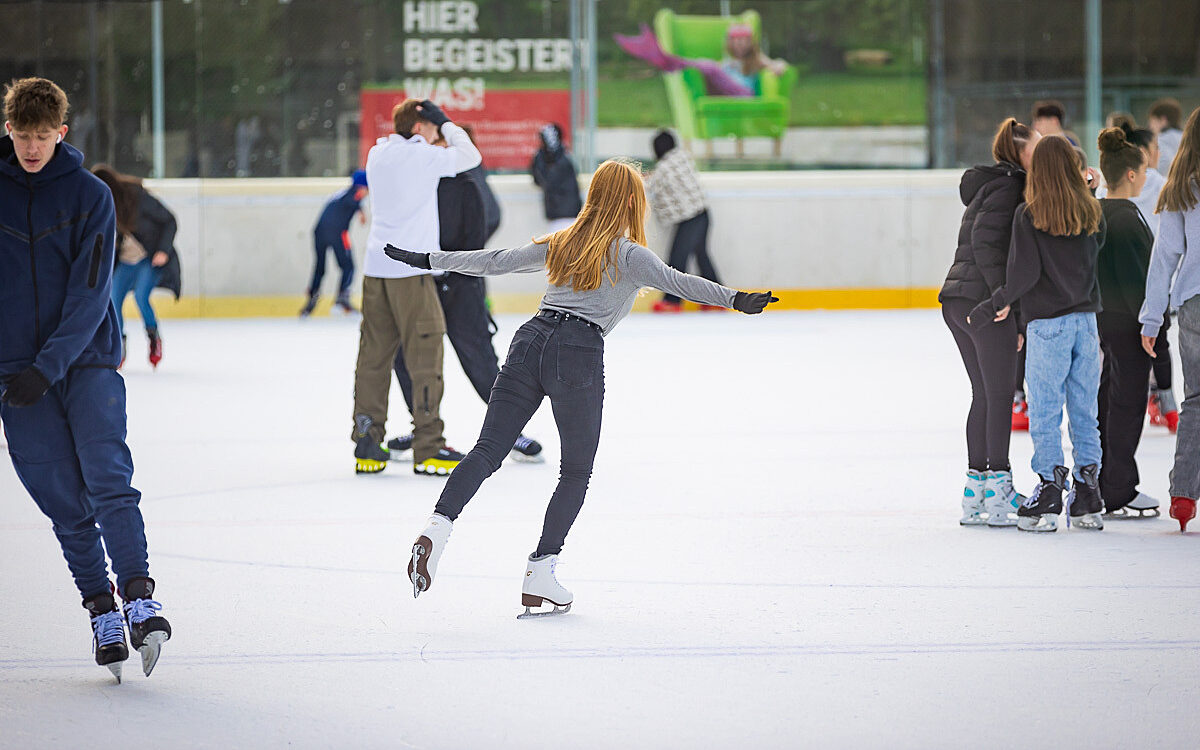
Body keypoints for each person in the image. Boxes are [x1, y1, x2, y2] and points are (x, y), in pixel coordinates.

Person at [383, 159, 777, 617]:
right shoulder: (630, 254)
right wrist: (736, 299)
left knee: (488, 450)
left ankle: (436, 528)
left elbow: (495, 262)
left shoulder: (562, 241)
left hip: (530, 340)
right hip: (578, 353)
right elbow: (680, 282)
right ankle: (540, 574)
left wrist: (428, 261)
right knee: (574, 472)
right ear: (633, 201)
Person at [0, 77, 170, 681]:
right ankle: (101, 608)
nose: (32, 148)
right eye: (23, 136)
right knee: (63, 502)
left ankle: (140, 598)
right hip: (15, 376)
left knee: (107, 480)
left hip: (86, 361)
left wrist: (49, 366)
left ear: (61, 133)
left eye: (43, 137)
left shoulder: (90, 196)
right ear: (9, 130)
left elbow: (90, 293)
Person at [969, 135, 1106, 533]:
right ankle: (1087, 494)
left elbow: (1023, 276)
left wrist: (991, 306)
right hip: (1087, 324)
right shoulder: (1090, 211)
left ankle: (1049, 491)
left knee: (1045, 412)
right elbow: (1098, 251)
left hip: (1048, 326)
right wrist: (1091, 190)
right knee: (1085, 411)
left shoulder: (1030, 215)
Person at [389, 136, 544, 464]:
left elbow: (491, 216)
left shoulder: (469, 177)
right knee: (406, 356)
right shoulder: (415, 180)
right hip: (420, 287)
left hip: (462, 287)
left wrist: (456, 261)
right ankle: (423, 426)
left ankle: (511, 431)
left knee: (480, 359)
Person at [351, 98, 481, 476]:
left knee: (373, 357)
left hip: (377, 270)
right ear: (422, 126)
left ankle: (368, 440)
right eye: (434, 127)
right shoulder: (423, 158)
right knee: (425, 357)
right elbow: (469, 156)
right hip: (412, 271)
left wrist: (433, 125)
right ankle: (429, 445)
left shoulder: (378, 154)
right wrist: (446, 123)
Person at [940, 118, 1038, 527]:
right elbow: (985, 241)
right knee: (998, 396)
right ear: (1019, 153)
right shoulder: (1010, 187)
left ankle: (974, 490)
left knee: (984, 394)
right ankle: (999, 493)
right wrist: (1002, 298)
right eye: (1035, 146)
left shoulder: (991, 184)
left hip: (958, 298)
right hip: (982, 301)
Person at [1094, 127, 1161, 518]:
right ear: (1132, 175)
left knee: (1110, 398)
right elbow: (1139, 280)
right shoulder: (1124, 218)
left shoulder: (1100, 211)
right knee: (1126, 404)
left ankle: (1108, 481)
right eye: (1145, 171)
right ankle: (1117, 488)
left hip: (1107, 320)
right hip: (1128, 325)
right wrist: (1152, 326)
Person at [1140, 105, 1200, 532]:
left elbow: (1164, 259)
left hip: (1194, 304)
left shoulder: (1182, 190)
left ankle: (1182, 495)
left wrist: (1151, 319)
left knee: (1195, 401)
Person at [91, 164, 180, 369]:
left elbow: (169, 220)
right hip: (126, 260)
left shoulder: (136, 196)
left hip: (150, 257)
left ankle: (153, 339)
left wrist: (163, 251)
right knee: (113, 300)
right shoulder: (101, 205)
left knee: (141, 296)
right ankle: (118, 346)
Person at [646, 129, 724, 313]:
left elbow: (652, 184)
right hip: (702, 214)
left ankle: (672, 300)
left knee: (677, 258)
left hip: (691, 219)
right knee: (701, 256)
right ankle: (717, 299)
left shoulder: (664, 168)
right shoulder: (682, 157)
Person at [614, 23, 786, 98]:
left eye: (743, 41)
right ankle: (669, 62)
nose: (740, 45)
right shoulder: (728, 60)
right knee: (708, 68)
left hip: (743, 94)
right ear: (730, 43)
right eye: (736, 41)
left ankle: (670, 61)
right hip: (727, 93)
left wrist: (778, 66)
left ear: (750, 43)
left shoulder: (756, 59)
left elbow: (777, 64)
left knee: (710, 66)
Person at [301, 168, 367, 317]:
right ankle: (342, 299)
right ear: (361, 187)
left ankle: (311, 300)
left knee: (320, 268)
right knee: (349, 266)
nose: (367, 194)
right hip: (337, 232)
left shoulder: (341, 193)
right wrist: (361, 210)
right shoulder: (354, 195)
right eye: (367, 190)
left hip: (319, 232)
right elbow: (352, 200)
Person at [530, 123, 581, 234]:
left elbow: (542, 180)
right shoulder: (564, 157)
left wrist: (538, 160)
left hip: (562, 214)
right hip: (567, 212)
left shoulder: (558, 161)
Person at [1147, 98, 1183, 175]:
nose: (1150, 126)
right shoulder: (1186, 137)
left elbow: (1165, 163)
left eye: (1152, 121)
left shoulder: (1161, 140)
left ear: (1163, 120)